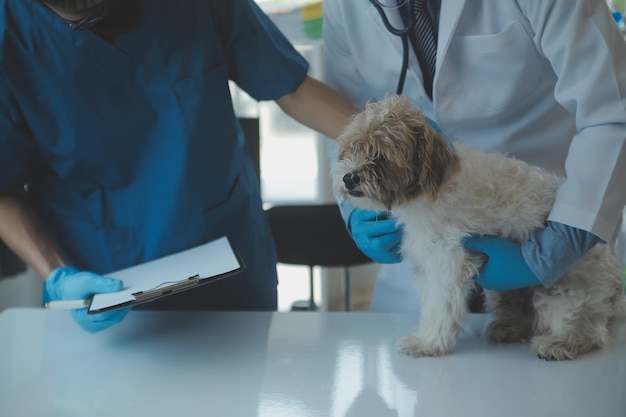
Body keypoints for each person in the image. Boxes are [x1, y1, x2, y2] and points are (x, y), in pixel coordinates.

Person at [0, 0, 357, 332]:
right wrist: (57, 274)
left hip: (231, 277)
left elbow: (291, 87)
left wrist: (385, 141)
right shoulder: (10, 37)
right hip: (100, 295)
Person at [323, 0, 626, 312]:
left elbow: (612, 110)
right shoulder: (345, 6)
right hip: (420, 257)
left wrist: (561, 243)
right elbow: (344, 122)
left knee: (561, 336)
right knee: (428, 347)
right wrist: (354, 209)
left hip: (540, 234)